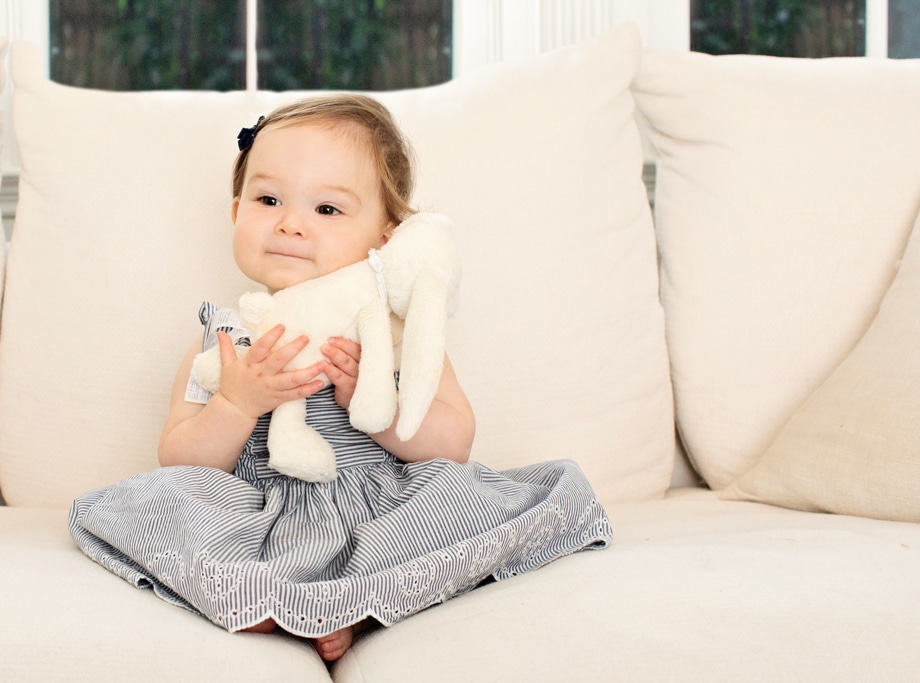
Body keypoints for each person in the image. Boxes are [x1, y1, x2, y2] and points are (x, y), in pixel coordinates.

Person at [69, 94, 612, 663]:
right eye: (268, 199)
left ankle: (359, 600)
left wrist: (370, 402)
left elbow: (454, 444)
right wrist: (235, 403)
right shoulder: (225, 337)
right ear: (236, 212)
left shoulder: (396, 334)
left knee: (453, 495)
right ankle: (269, 599)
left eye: (327, 210)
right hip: (261, 515)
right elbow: (179, 457)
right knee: (168, 498)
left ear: (385, 237)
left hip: (377, 512)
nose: (290, 224)